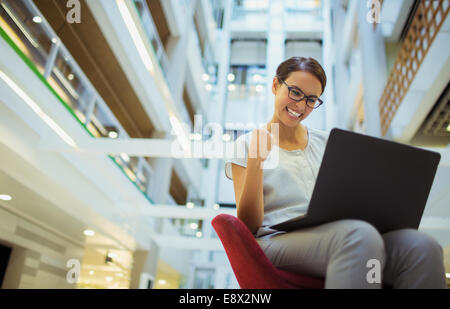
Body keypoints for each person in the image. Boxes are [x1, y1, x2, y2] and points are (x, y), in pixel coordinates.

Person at [224, 56, 447, 289]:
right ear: (275, 85)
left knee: (421, 247)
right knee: (359, 236)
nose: (300, 106)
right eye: (295, 92)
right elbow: (248, 227)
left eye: (311, 100)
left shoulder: (330, 142)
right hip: (276, 243)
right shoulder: (247, 144)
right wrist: (256, 161)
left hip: (340, 233)